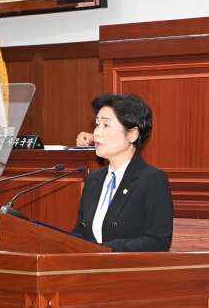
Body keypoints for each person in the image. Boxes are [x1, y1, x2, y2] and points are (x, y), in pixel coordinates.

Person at [71, 94, 173, 252]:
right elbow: (81, 232)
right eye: (97, 124)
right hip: (92, 265)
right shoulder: (94, 179)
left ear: (132, 134)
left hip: (128, 266)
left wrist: (101, 250)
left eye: (106, 125)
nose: (97, 132)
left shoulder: (151, 179)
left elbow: (158, 241)